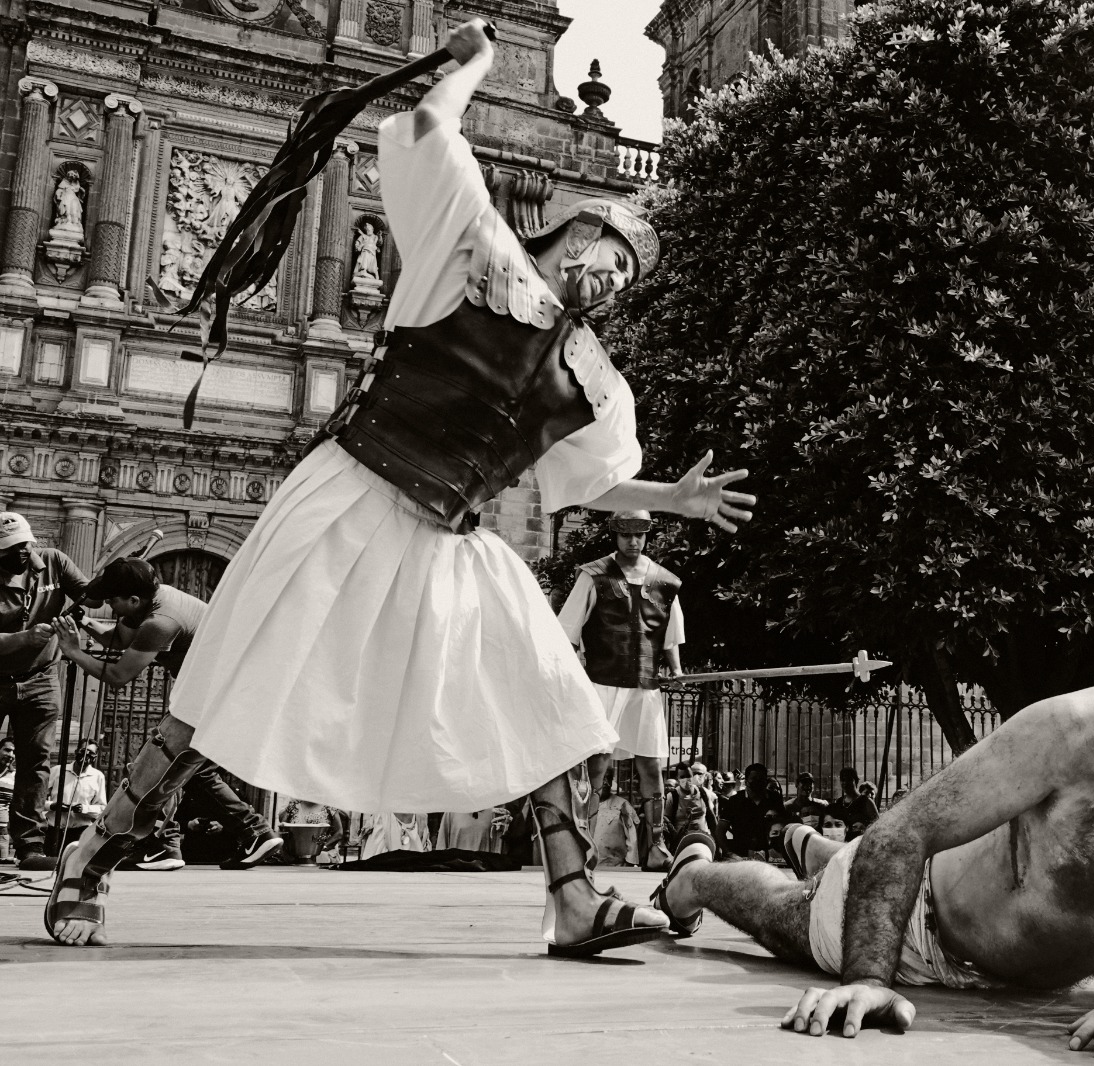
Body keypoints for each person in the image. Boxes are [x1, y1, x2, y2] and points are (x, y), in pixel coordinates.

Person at [43, 18, 756, 954]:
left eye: (627, 275)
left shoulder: (594, 381)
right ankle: (90, 855)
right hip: (352, 495)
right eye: (611, 252)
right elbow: (428, 133)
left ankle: (575, 900)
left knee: (547, 689)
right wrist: (473, 70)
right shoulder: (471, 247)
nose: (613, 278)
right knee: (222, 687)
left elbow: (582, 484)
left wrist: (673, 500)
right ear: (574, 226)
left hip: (453, 539)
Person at [649, 684, 1094, 1060]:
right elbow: (908, 830)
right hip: (921, 920)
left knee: (833, 870)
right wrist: (868, 978)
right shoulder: (1088, 731)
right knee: (787, 916)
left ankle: (817, 848)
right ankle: (695, 874)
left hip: (1010, 962)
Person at [52, 557, 282, 870]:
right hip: (211, 689)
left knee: (165, 764)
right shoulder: (154, 600)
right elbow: (119, 639)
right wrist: (84, 623)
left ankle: (170, 843)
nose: (108, 607)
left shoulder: (160, 622)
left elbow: (119, 676)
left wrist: (74, 652)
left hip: (219, 691)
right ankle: (188, 842)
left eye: (112, 601)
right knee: (187, 768)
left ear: (134, 600)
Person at [557, 510, 686, 870]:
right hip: (602, 681)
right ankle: (585, 843)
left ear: (647, 536)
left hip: (644, 684)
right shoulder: (593, 575)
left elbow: (671, 637)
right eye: (626, 534)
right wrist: (572, 672)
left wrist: (675, 669)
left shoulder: (666, 582)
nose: (633, 541)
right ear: (615, 535)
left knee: (651, 763)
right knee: (597, 762)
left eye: (639, 535)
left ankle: (657, 845)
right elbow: (568, 630)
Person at [0, 512, 92, 871]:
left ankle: (30, 847)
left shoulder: (54, 562)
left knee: (36, 763)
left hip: (40, 678)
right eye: (10, 547)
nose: (22, 551)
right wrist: (23, 638)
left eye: (25, 543)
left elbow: (91, 596)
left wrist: (102, 588)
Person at [44, 742, 106, 852]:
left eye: (90, 753)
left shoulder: (98, 776)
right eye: (83, 751)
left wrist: (85, 809)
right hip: (55, 830)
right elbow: (39, 800)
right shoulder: (58, 770)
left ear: (95, 757)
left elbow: (102, 808)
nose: (86, 754)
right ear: (76, 752)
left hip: (80, 832)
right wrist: (52, 806)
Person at [721, 762, 786, 858]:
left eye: (761, 779)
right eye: (754, 779)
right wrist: (729, 853)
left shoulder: (774, 799)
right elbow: (720, 830)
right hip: (741, 856)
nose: (758, 782)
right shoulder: (735, 801)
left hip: (769, 856)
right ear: (746, 781)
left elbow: (783, 826)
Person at [593, 769, 639, 867]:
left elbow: (632, 837)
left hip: (615, 866)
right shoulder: (584, 806)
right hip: (589, 867)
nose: (606, 783)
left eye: (608, 778)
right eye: (602, 778)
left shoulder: (622, 805)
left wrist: (629, 864)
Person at [834, 767, 878, 841]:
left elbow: (877, 827)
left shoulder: (866, 802)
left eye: (849, 780)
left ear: (856, 781)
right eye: (843, 780)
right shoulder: (839, 802)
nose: (845, 783)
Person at [0, 736, 15, 861]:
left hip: (2, 835)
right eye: (7, 750)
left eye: (14, 752)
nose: (11, 755)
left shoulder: (15, 776)